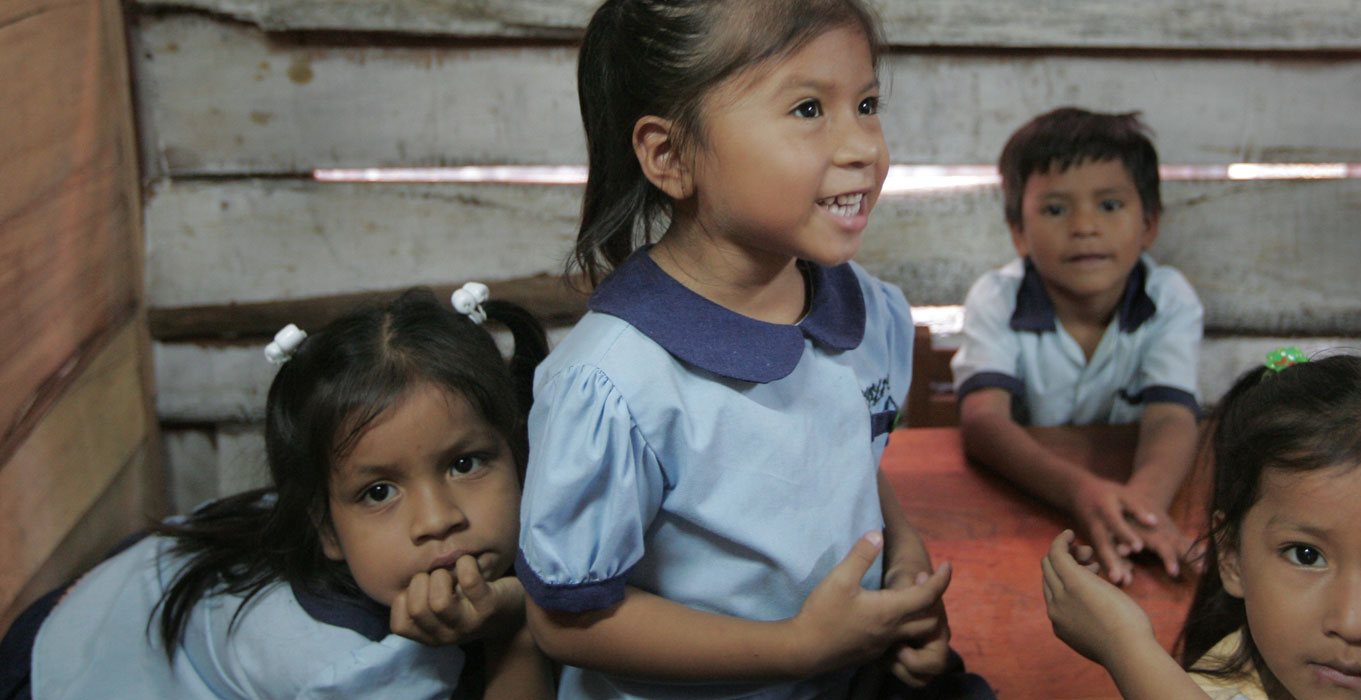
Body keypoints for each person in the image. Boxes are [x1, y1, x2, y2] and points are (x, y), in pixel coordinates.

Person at [514, 1, 962, 699]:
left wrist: (903, 567)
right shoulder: (615, 384)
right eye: (809, 109)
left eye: (866, 102)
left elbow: (851, 460)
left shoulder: (866, 313)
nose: (864, 147)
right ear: (671, 155)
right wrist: (794, 648)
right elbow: (564, 620)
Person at [0, 286, 554, 699]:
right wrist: (518, 632)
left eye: (463, 463)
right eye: (379, 491)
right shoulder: (337, 664)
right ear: (325, 529)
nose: (436, 520)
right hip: (73, 663)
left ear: (516, 453)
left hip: (141, 590)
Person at [1041, 350, 1361, 700]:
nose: (1350, 622)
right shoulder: (1223, 689)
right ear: (1232, 557)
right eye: (1306, 555)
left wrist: (1127, 649)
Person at [952, 106, 1203, 585]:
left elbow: (1172, 416)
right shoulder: (997, 298)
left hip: (1124, 504)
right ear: (1018, 232)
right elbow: (983, 423)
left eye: (1109, 205)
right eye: (1055, 209)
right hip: (1024, 512)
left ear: (1148, 224)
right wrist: (1079, 492)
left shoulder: (1168, 299)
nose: (1084, 226)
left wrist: (1144, 508)